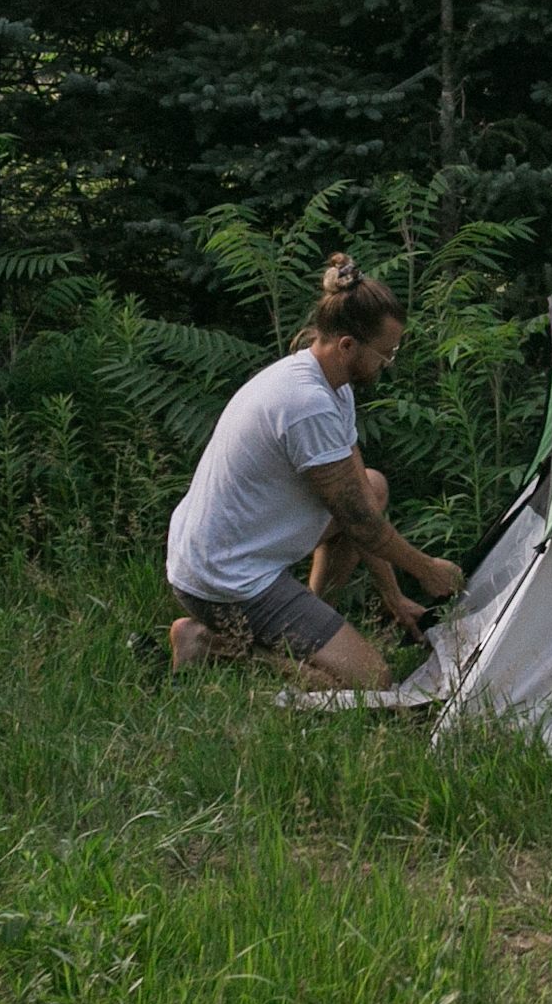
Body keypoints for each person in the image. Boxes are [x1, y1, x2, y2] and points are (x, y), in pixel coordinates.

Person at [163, 256, 466, 690]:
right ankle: (209, 642)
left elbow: (362, 501)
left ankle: (308, 616)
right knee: (370, 683)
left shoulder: (331, 384)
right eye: (386, 353)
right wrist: (427, 569)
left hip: (231, 550)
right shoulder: (306, 405)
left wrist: (393, 595)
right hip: (225, 578)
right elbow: (361, 524)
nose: (388, 363)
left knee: (375, 485)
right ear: (347, 345)